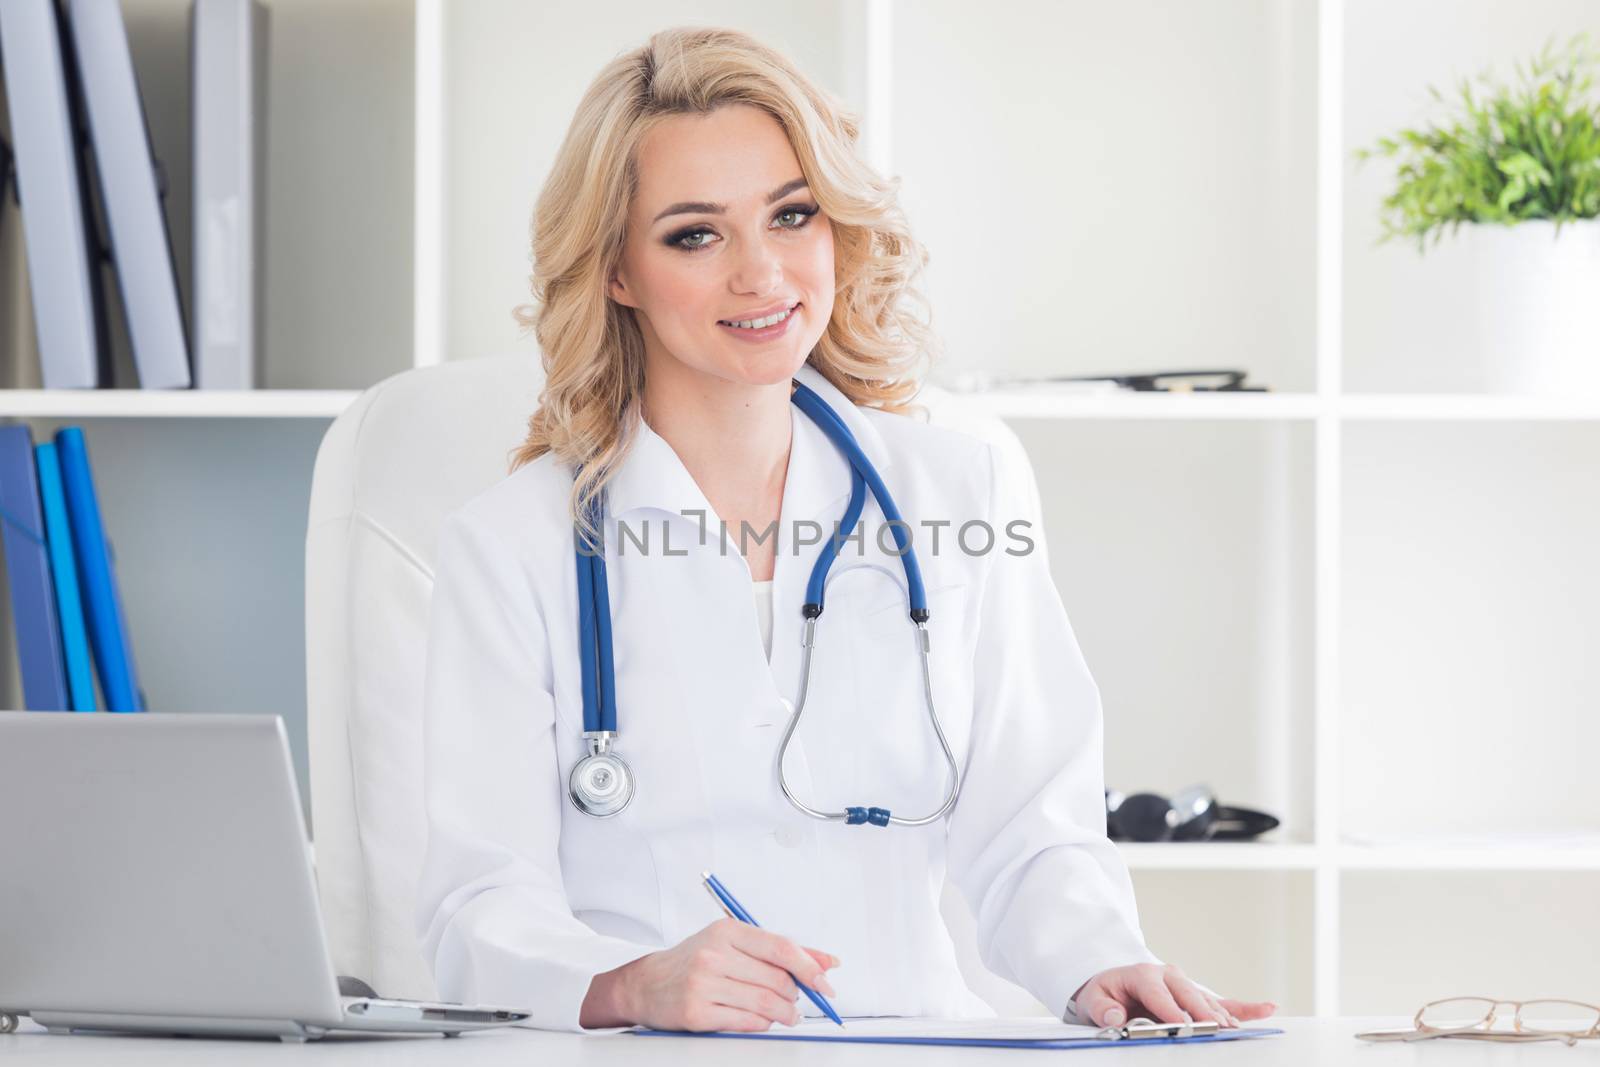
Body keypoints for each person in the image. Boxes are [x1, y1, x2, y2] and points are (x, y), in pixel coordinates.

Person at [414, 24, 1278, 1036]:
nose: (761, 273)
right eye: (695, 233)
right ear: (615, 270)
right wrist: (627, 981)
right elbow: (478, 905)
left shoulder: (959, 491)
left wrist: (1099, 960)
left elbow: (1034, 826)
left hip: (914, 1039)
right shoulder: (513, 544)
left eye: (792, 215)